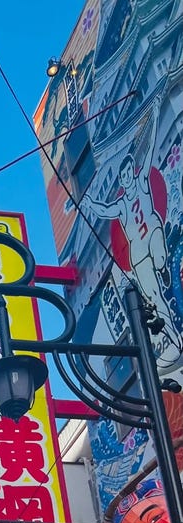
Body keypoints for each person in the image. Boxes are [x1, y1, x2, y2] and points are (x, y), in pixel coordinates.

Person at [82, 91, 183, 371]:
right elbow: (104, 210)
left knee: (158, 249)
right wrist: (90, 203)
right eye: (123, 175)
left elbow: (149, 149)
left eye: (127, 172)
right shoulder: (121, 203)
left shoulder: (141, 182)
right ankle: (173, 341)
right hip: (138, 257)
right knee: (154, 299)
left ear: (131, 171)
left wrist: (153, 114)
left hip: (153, 237)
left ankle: (163, 264)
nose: (125, 177)